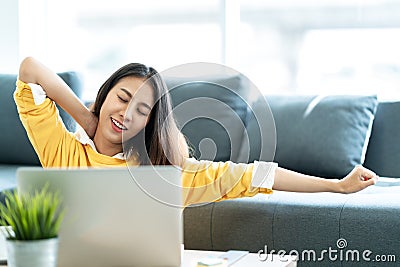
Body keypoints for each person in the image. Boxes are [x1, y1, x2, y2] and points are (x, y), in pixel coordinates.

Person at [15, 57, 378, 206]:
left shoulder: (163, 176)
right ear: (104, 95)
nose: (126, 113)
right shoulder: (62, 150)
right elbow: (30, 68)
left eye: (142, 110)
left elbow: (257, 174)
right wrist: (86, 119)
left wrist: (336, 186)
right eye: (122, 98)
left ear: (148, 124)